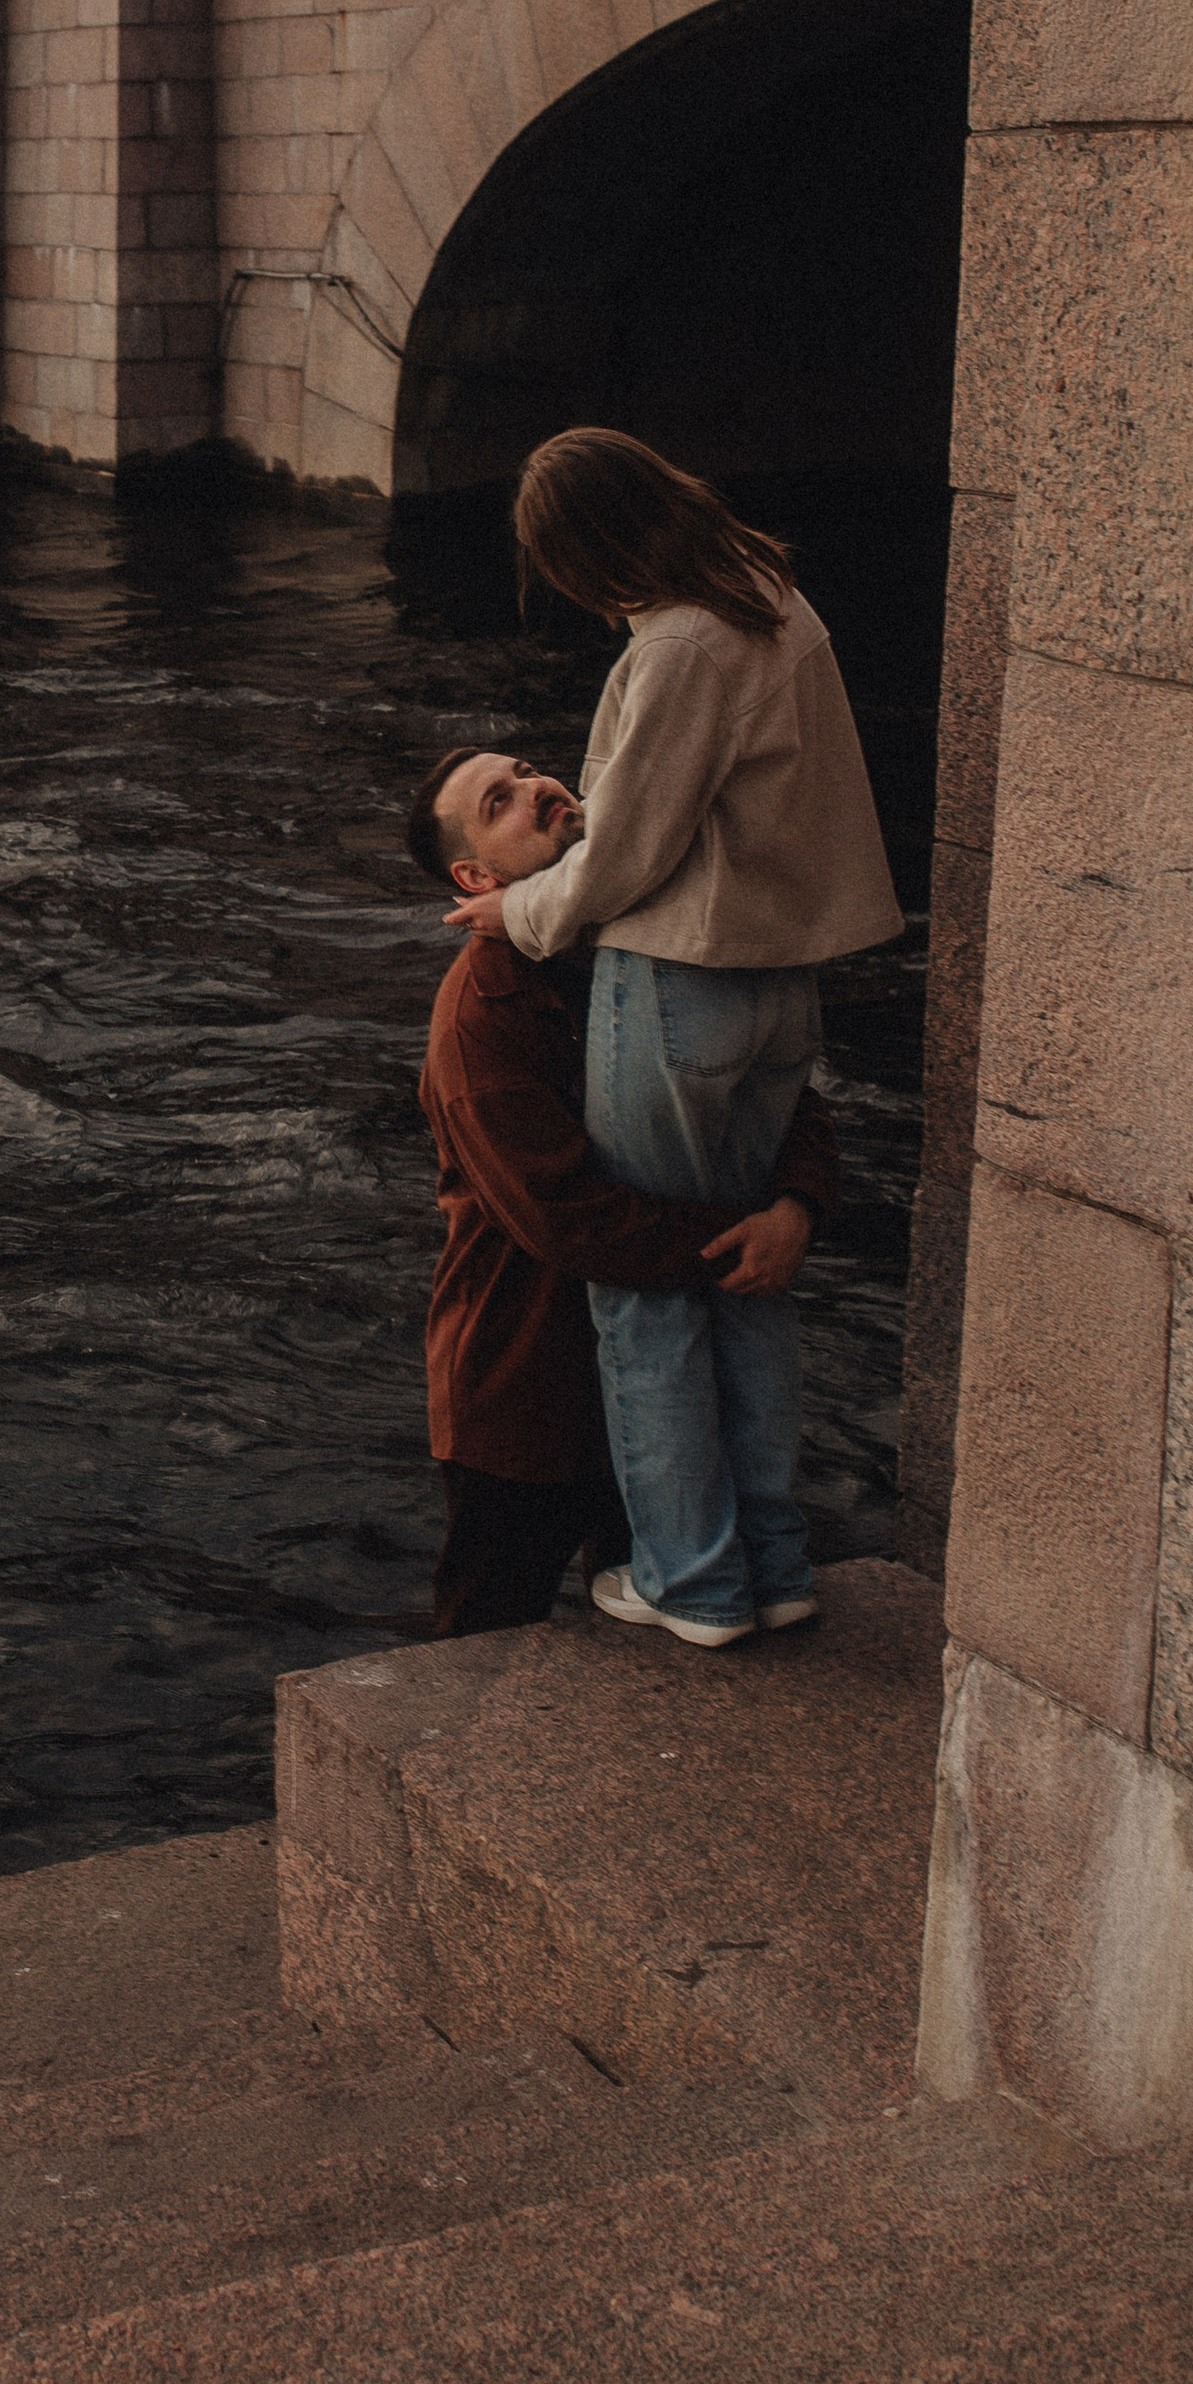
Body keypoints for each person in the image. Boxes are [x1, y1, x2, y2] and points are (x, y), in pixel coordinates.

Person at [440, 431, 901, 1649]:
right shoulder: (769, 599)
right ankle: (774, 1561)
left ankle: (690, 1583)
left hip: (681, 980)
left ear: (584, 552)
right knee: (752, 1279)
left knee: (648, 1303)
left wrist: (516, 909)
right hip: (778, 985)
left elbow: (633, 852)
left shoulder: (679, 641)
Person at [408, 747, 838, 1640]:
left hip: (665, 1362)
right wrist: (741, 1238)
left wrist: (796, 1205)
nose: (538, 788)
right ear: (476, 877)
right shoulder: (482, 1014)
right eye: (503, 800)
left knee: (677, 1621)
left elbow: (768, 1083)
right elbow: (560, 1216)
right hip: (528, 1388)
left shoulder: (646, 934)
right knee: (484, 1643)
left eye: (528, 768)